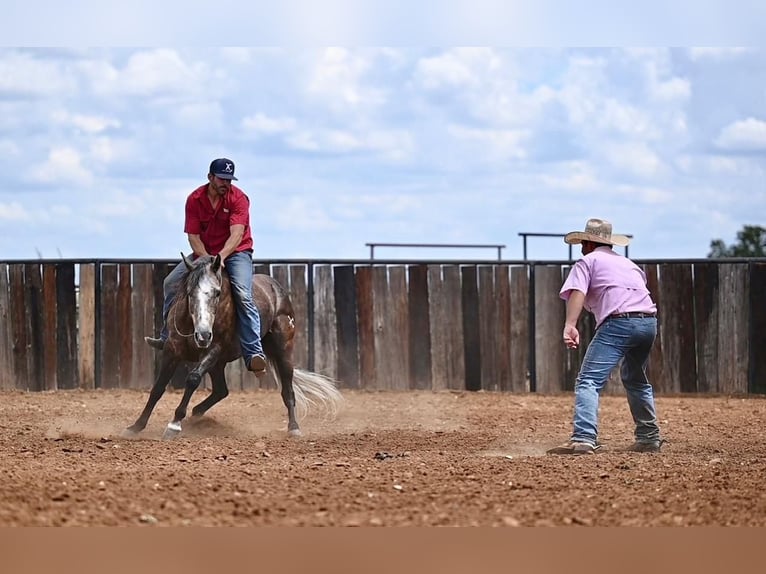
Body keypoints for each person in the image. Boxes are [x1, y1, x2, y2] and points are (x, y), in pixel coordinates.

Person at [547, 218, 665, 455]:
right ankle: (648, 437)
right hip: (648, 323)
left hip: (619, 322)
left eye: (583, 242)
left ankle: (584, 438)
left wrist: (570, 324)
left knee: (588, 380)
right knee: (634, 377)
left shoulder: (587, 261)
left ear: (589, 243)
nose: (581, 247)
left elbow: (578, 292)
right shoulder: (630, 265)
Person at [146, 158, 267, 376]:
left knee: (242, 293)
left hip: (236, 252)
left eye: (229, 180)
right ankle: (167, 336)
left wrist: (220, 258)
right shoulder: (194, 199)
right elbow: (193, 236)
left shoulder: (239, 198)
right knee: (171, 283)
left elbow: (237, 234)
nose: (226, 183)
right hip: (204, 253)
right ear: (210, 177)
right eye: (222, 179)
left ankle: (254, 352)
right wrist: (206, 260)